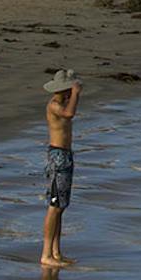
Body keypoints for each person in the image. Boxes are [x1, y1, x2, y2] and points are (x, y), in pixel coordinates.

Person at [41, 70, 82, 269]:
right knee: (54, 205)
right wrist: (76, 93)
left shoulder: (62, 103)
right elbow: (69, 114)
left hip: (65, 156)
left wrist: (73, 93)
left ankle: (56, 252)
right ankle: (46, 254)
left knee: (61, 206)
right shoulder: (55, 105)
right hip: (57, 157)